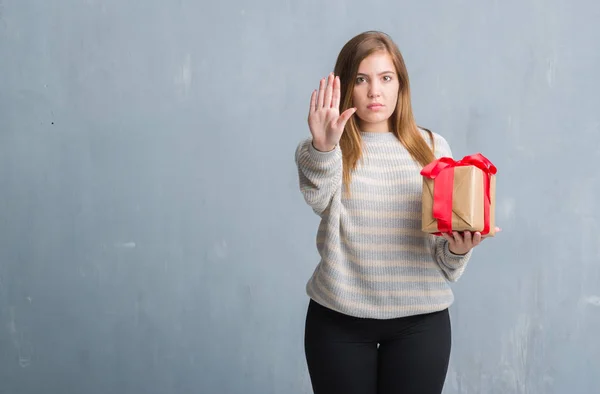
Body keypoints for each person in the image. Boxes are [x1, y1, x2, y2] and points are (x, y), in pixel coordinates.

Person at [294, 30, 499, 394]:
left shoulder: (433, 147)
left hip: (420, 323)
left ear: (400, 85)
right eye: (362, 79)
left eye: (386, 78)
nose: (375, 91)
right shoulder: (326, 147)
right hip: (339, 320)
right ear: (347, 87)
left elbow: (445, 262)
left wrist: (459, 247)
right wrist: (324, 149)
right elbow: (317, 198)